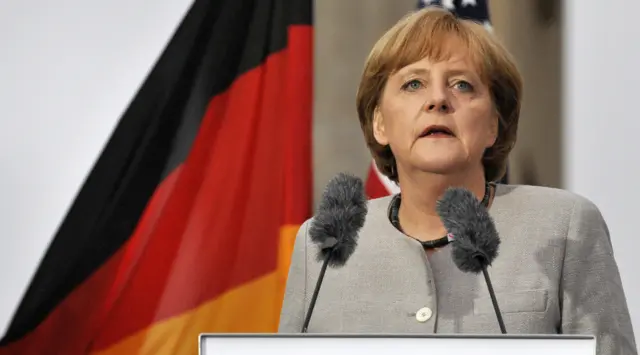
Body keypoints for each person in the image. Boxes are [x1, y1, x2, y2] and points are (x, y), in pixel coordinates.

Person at [278, 6, 637, 355]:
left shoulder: (564, 227)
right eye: (413, 83)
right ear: (380, 124)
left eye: (462, 85)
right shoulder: (321, 249)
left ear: (493, 125)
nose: (438, 99)